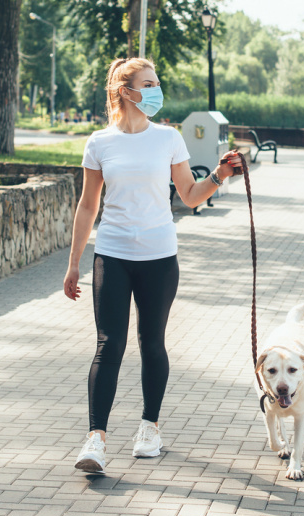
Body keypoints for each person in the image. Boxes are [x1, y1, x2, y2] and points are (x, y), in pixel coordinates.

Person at [64, 57, 243, 474]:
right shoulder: (100, 142)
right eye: (148, 83)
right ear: (126, 91)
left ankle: (150, 427)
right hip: (112, 254)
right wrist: (74, 263)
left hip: (159, 257)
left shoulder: (168, 138)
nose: (156, 89)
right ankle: (96, 439)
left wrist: (219, 174)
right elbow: (88, 205)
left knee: (152, 342)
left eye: (157, 82)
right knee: (109, 345)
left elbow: (188, 194)